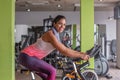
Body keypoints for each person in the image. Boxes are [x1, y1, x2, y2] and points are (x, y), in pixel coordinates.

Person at [19, 15, 90, 80]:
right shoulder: (50, 34)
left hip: (29, 58)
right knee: (52, 71)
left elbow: (66, 49)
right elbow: (64, 50)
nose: (62, 26)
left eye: (64, 24)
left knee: (47, 77)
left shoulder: (56, 35)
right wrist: (80, 55)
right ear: (54, 24)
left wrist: (81, 53)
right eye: (60, 23)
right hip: (28, 56)